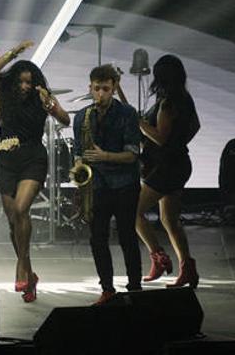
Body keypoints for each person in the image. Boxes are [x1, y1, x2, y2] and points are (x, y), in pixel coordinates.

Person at [0, 40, 70, 302]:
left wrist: (51, 106)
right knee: (13, 222)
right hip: (7, 158)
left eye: (28, 82)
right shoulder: (4, 93)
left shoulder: (42, 98)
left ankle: (21, 266)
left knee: (21, 210)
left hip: (33, 157)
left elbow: (66, 120)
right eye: (20, 81)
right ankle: (30, 274)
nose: (24, 86)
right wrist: (14, 53)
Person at [71, 64, 142, 305]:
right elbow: (79, 153)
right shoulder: (82, 116)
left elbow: (133, 154)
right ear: (89, 88)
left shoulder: (128, 114)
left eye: (105, 89)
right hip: (97, 185)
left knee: (127, 237)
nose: (100, 94)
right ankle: (107, 288)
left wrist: (106, 157)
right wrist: (79, 171)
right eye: (96, 89)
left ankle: (135, 287)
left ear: (114, 89)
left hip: (125, 184)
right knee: (97, 239)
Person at [135, 55, 201, 288]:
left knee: (135, 212)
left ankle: (158, 257)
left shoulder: (167, 102)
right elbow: (195, 126)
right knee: (169, 219)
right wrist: (179, 143)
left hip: (166, 167)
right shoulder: (184, 98)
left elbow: (161, 137)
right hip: (180, 163)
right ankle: (188, 271)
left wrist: (141, 124)